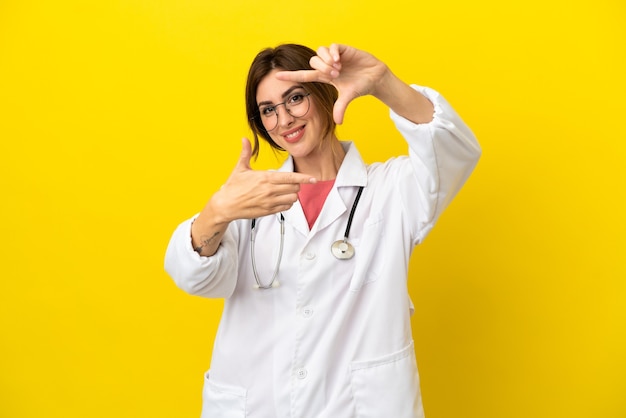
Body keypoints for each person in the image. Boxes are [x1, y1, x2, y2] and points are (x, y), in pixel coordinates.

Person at [165, 43, 481, 418]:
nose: (284, 120)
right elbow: (197, 280)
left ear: (324, 92)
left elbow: (453, 149)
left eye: (295, 98)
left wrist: (382, 82)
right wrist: (217, 212)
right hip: (259, 404)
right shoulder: (248, 200)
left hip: (353, 407)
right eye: (268, 110)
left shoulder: (391, 189)